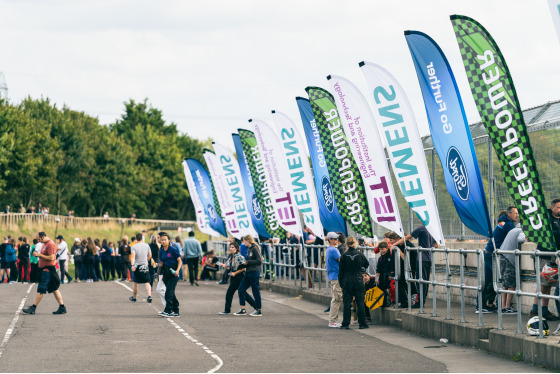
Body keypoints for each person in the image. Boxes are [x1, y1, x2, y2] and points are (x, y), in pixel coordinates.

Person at [478, 206, 519, 313]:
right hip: (492, 254)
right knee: (494, 281)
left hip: (488, 252)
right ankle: (484, 306)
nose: (517, 215)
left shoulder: (502, 222)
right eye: (515, 213)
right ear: (509, 214)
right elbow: (514, 238)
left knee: (489, 281)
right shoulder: (509, 224)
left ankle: (485, 305)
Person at [391, 225, 438, 308]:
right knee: (425, 281)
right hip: (429, 258)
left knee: (420, 281)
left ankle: (420, 303)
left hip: (421, 258)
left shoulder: (421, 228)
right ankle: (422, 301)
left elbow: (407, 237)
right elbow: (436, 245)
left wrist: (393, 244)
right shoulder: (431, 229)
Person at [22, 231, 66, 315]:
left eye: (39, 239)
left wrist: (39, 255)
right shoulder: (44, 244)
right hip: (44, 269)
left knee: (41, 288)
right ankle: (62, 307)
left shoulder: (50, 244)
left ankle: (33, 308)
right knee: (54, 289)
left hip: (48, 269)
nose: (38, 241)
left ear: (43, 237)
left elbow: (51, 257)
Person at [531, 199, 560, 321]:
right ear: (552, 207)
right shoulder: (545, 218)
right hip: (544, 254)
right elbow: (546, 233)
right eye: (558, 207)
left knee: (546, 283)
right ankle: (539, 309)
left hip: (555, 254)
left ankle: (539, 309)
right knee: (544, 281)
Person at [338, 237, 369, 329]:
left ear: (347, 244)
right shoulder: (359, 254)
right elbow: (366, 264)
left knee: (347, 302)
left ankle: (345, 323)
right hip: (358, 278)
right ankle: (362, 323)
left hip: (347, 280)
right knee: (360, 301)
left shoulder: (344, 255)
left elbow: (341, 271)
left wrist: (341, 283)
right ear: (355, 244)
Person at [219, 242, 256, 314]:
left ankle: (227, 310)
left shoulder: (239, 257)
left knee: (230, 293)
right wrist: (225, 266)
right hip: (233, 276)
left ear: (236, 248)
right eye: (230, 247)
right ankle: (256, 306)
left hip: (238, 276)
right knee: (243, 293)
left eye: (233, 247)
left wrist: (235, 273)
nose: (231, 248)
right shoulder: (231, 257)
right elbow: (228, 266)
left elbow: (243, 268)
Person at [498, 223, 525, 313]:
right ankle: (508, 307)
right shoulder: (521, 231)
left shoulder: (512, 230)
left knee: (504, 284)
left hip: (502, 256)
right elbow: (521, 239)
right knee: (511, 284)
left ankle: (502, 306)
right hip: (510, 258)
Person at [234, 235, 263, 316]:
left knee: (255, 291)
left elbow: (259, 260)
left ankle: (259, 309)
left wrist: (248, 262)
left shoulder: (254, 248)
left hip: (254, 272)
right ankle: (243, 309)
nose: (243, 243)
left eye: (244, 241)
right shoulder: (249, 249)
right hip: (248, 272)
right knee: (241, 289)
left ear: (248, 240)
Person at [158, 232, 182, 317]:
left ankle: (168, 310)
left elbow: (179, 261)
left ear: (169, 240)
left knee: (168, 292)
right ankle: (176, 310)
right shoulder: (161, 251)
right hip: (166, 273)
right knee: (170, 292)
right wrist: (156, 265)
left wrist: (178, 270)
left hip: (174, 273)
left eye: (165, 240)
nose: (163, 241)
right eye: (162, 240)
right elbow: (162, 263)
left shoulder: (173, 249)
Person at [129, 233, 153, 303]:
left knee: (135, 282)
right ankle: (149, 296)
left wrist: (132, 265)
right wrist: (147, 259)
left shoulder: (134, 247)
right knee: (147, 282)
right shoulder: (147, 245)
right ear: (142, 239)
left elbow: (133, 257)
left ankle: (134, 297)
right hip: (145, 265)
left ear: (136, 239)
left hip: (137, 266)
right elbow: (150, 255)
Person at [325, 232, 342, 328]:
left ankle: (333, 320)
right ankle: (332, 321)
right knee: (337, 299)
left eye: (337, 238)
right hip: (336, 276)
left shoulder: (328, 249)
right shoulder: (334, 250)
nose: (336, 240)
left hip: (332, 276)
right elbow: (342, 261)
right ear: (330, 240)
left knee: (335, 298)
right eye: (334, 239)